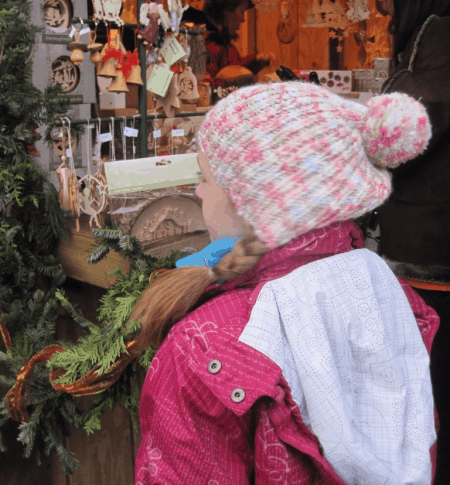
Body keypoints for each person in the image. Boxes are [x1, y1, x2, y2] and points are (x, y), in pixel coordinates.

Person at [131, 81, 439, 485]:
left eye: (205, 177)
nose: (198, 190)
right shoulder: (389, 298)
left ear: (251, 197)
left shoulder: (201, 346)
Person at [357, 0, 450, 485]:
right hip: (425, 262)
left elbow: (396, 133)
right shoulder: (428, 38)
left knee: (430, 424)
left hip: (434, 270)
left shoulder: (440, 42)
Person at [202, 0, 274, 91]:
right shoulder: (209, 48)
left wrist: (255, 62)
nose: (243, 19)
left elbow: (234, 72)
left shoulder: (226, 46)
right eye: (241, 12)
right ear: (225, 11)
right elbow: (208, 86)